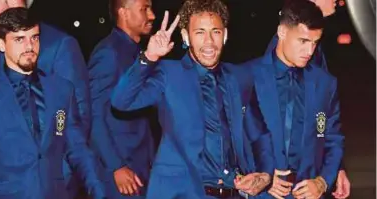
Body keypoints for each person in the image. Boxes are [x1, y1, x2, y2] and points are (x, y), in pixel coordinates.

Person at [110, 0, 275, 198]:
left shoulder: (239, 78)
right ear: (186, 36)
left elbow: (259, 134)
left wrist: (265, 175)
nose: (209, 41)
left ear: (225, 35)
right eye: (200, 32)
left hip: (233, 192)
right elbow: (122, 101)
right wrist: (149, 57)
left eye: (216, 31)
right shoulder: (169, 74)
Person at [0, 8, 106, 199]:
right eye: (19, 39)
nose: (29, 46)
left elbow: (77, 147)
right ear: (1, 44)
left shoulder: (61, 90)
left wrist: (99, 191)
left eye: (34, 38)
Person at [241, 1, 344, 198]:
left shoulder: (325, 83)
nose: (310, 51)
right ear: (282, 32)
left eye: (315, 43)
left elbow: (332, 138)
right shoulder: (246, 77)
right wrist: (263, 178)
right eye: (303, 41)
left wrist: (322, 182)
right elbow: (235, 138)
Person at [87, 0, 157, 198]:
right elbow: (93, 114)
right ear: (124, 13)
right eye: (144, 9)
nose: (152, 15)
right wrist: (116, 166)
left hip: (140, 167)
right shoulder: (108, 53)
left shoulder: (136, 51)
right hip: (121, 174)